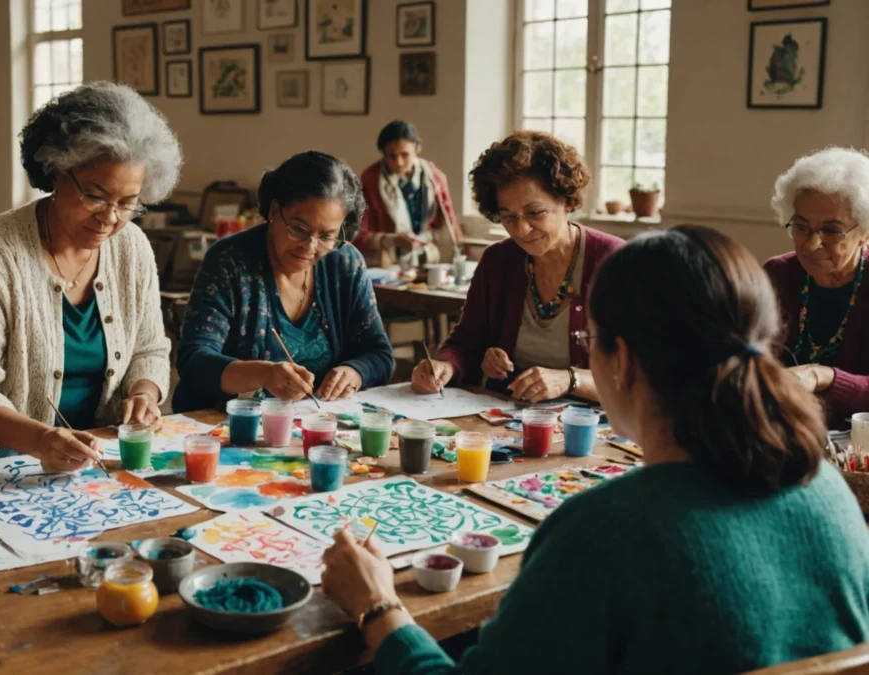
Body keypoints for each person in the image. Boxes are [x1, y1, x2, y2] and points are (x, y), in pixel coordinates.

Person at [323, 225, 869, 674]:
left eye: (590, 344)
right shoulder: (827, 491)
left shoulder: (605, 531)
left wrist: (379, 607)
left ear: (622, 361)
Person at [0, 82, 179, 472]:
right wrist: (40, 439)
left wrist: (145, 392)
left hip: (104, 459)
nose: (110, 218)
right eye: (96, 196)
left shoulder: (131, 247)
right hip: (7, 465)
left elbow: (149, 350)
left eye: (128, 203)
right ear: (57, 172)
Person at [174, 151, 394, 413]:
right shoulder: (229, 261)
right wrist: (263, 374)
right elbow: (194, 362)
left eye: (326, 236)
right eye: (299, 230)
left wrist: (355, 372)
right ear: (275, 211)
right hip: (222, 427)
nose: (310, 247)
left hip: (312, 425)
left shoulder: (344, 263)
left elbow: (379, 353)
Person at [411, 131, 621, 402]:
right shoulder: (498, 261)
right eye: (508, 217)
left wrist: (570, 379)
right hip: (507, 419)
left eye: (535, 212)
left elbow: (639, 375)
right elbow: (465, 342)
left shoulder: (614, 262)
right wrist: (445, 366)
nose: (521, 230)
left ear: (567, 201)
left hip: (589, 428)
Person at [765, 147, 869, 427]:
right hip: (777, 434)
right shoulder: (778, 275)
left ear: (865, 233)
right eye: (801, 226)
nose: (811, 245)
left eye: (832, 230)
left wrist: (825, 376)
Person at [353, 121, 462, 268]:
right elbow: (358, 233)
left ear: (417, 149)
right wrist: (392, 239)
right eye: (392, 156)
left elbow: (449, 224)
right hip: (384, 260)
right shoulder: (370, 180)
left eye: (405, 155)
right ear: (383, 154)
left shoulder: (434, 177)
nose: (399, 162)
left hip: (427, 256)